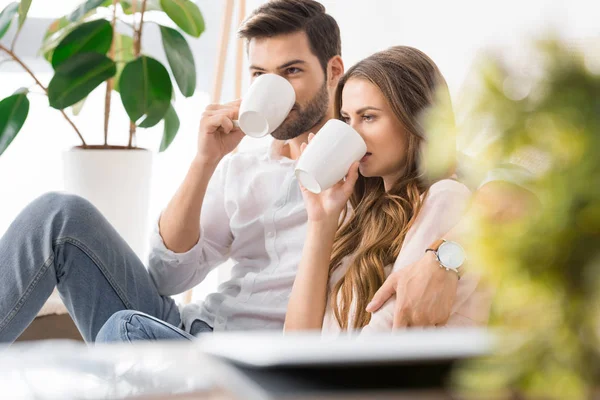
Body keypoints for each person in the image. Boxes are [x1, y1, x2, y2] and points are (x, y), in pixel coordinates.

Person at [0, 0, 528, 344]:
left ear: (334, 72)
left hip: (250, 358)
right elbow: (163, 276)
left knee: (123, 334)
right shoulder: (246, 166)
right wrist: (206, 162)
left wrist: (447, 257)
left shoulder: (374, 174)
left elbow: (509, 188)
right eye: (260, 74)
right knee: (59, 214)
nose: (274, 87)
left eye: (292, 71)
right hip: (188, 326)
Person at [284, 46, 491, 333]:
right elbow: (296, 343)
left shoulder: (445, 198)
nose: (352, 133)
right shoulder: (358, 218)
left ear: (416, 120)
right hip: (333, 377)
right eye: (346, 119)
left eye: (368, 117)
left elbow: (384, 340)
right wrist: (321, 220)